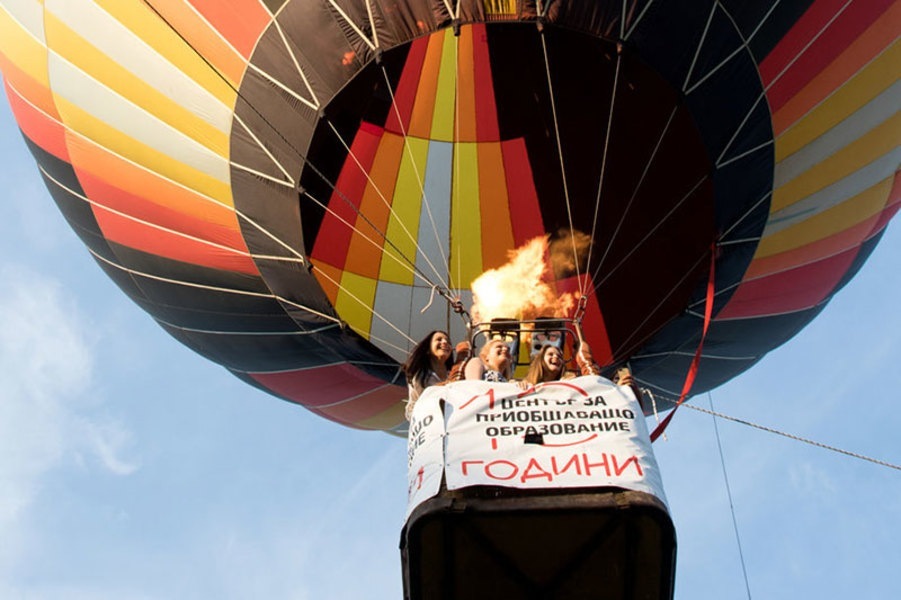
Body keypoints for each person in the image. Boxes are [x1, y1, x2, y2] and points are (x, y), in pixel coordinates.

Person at [403, 330, 453, 419]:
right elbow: (428, 401)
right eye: (439, 339)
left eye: (448, 341)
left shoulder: (453, 373)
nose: (445, 342)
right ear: (428, 349)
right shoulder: (420, 377)